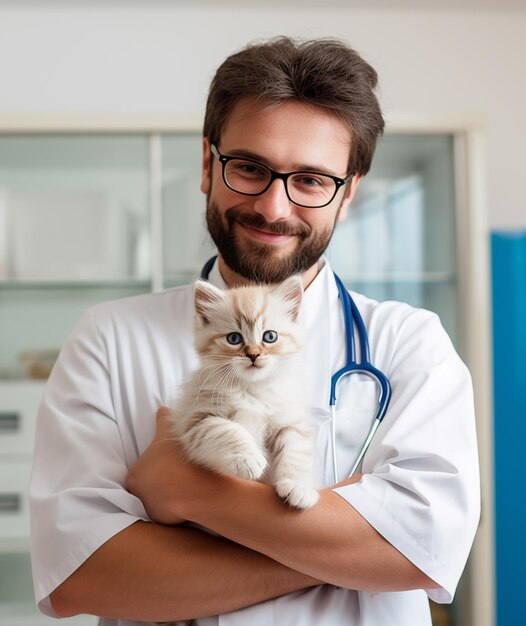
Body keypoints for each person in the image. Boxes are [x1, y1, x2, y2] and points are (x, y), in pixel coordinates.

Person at [29, 37, 480, 626]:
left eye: (312, 180)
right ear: (206, 166)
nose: (273, 206)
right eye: (249, 167)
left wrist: (191, 493)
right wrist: (355, 544)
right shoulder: (110, 338)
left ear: (348, 196)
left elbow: (430, 551)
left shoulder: (410, 342)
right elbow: (82, 578)